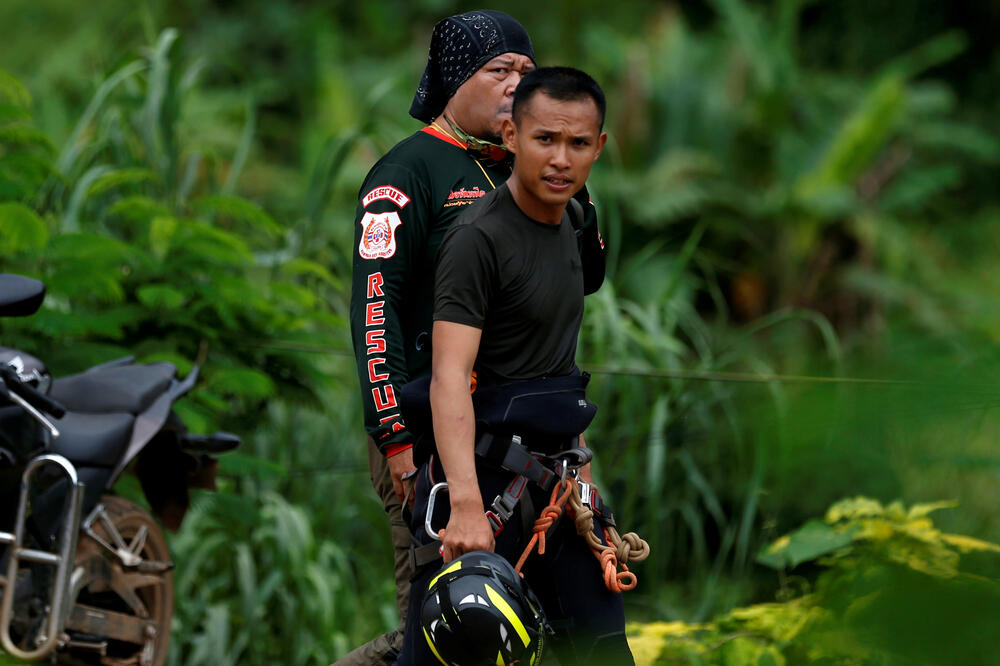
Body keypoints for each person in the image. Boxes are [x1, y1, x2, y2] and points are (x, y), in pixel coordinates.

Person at [343, 11, 606, 665]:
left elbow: (590, 273)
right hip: (431, 432)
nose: (518, 83)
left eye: (526, 69)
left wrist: (569, 174)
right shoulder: (407, 174)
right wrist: (395, 441)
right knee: (447, 623)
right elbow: (375, 315)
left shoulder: (525, 170)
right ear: (455, 80)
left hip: (531, 438)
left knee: (541, 618)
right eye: (499, 71)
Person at [395, 66, 634, 665]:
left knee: (603, 650)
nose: (561, 159)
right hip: (486, 484)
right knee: (453, 651)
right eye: (544, 139)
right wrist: (468, 507)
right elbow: (451, 378)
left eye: (578, 143)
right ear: (510, 137)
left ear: (598, 147)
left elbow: (552, 364)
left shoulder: (576, 223)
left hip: (559, 487)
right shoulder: (479, 240)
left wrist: (577, 476)